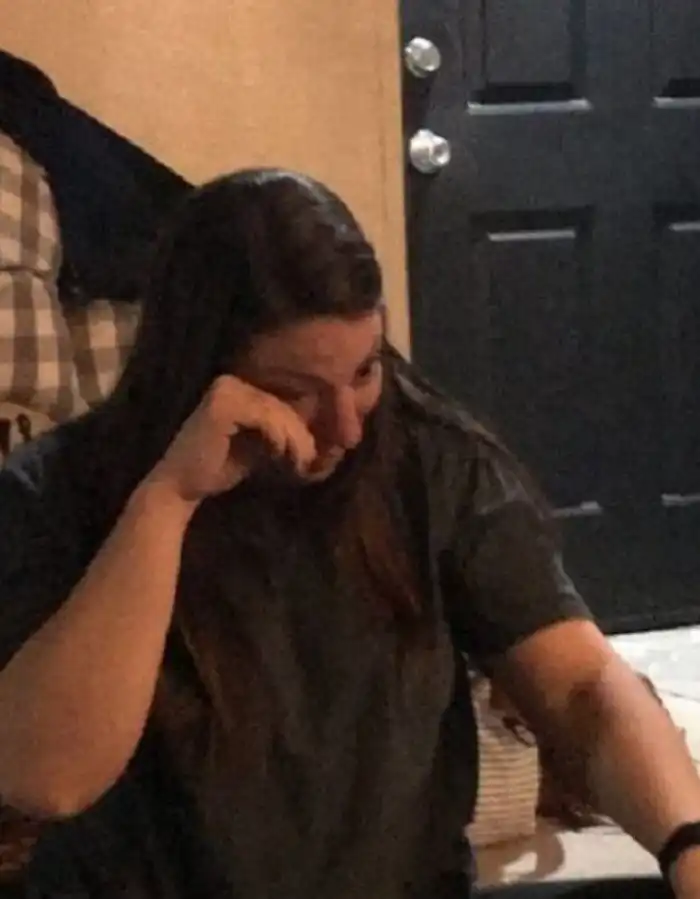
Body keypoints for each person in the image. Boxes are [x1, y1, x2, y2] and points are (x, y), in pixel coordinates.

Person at [0, 169, 698, 899]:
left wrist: (688, 843)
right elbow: (49, 778)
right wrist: (167, 501)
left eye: (365, 371)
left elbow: (582, 687)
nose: (347, 428)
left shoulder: (431, 458)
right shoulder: (54, 491)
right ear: (195, 372)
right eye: (295, 392)